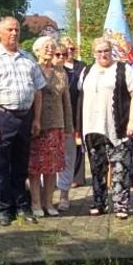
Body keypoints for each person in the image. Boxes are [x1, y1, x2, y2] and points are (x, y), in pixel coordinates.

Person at [0, 16, 46, 226]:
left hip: (25, 117)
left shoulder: (28, 58)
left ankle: (22, 205)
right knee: (1, 167)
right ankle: (3, 209)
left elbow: (38, 91)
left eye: (17, 30)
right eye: (9, 30)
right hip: (2, 117)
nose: (14, 33)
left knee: (21, 165)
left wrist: (37, 119)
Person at [76, 37, 133, 219]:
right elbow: (80, 98)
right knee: (97, 169)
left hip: (118, 128)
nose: (103, 54)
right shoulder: (87, 71)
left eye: (106, 50)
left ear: (111, 51)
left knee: (120, 168)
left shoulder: (123, 69)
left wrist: (132, 120)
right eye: (99, 51)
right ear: (93, 53)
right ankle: (99, 203)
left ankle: (121, 205)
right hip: (92, 128)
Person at [28, 36, 71, 216]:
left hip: (56, 125)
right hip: (37, 126)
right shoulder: (32, 69)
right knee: (36, 167)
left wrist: (69, 126)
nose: (50, 49)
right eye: (46, 47)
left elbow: (66, 101)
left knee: (52, 167)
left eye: (52, 47)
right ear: (37, 50)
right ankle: (36, 203)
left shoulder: (61, 72)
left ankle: (49, 203)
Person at [57, 37, 85, 208]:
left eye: (70, 50)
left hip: (75, 110)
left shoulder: (82, 67)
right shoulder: (49, 71)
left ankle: (75, 179)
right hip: (53, 118)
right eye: (62, 52)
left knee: (74, 148)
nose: (67, 54)